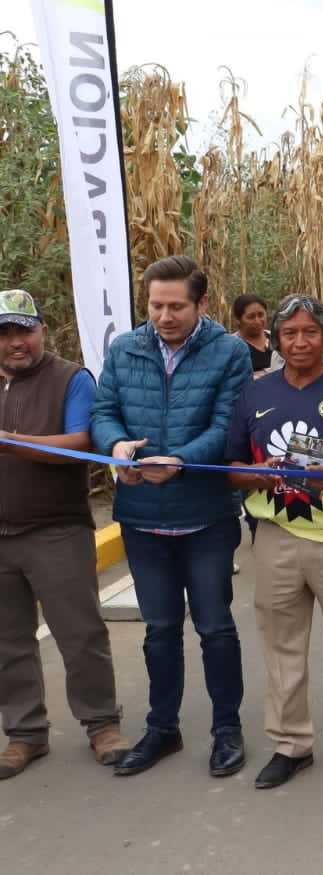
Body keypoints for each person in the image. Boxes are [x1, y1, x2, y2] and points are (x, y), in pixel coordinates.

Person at [91, 255, 252, 778]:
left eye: (176, 306)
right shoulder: (125, 348)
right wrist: (117, 445)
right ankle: (163, 728)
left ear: (201, 304)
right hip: (141, 519)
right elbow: (103, 410)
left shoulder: (228, 352)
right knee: (159, 629)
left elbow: (229, 425)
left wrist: (180, 461)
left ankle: (226, 729)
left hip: (205, 515)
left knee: (215, 628)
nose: (164, 316)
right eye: (156, 305)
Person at [226, 294, 323, 789]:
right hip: (274, 537)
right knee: (281, 646)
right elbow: (230, 469)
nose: (299, 341)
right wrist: (257, 475)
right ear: (276, 339)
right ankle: (290, 743)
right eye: (289, 332)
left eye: (309, 332)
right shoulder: (253, 393)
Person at [0, 289, 129, 778]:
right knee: (7, 641)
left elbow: (80, 444)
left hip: (56, 529)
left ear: (42, 331)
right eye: (5, 333)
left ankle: (102, 724)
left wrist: (11, 442)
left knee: (80, 635)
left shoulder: (72, 379)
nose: (15, 343)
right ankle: (25, 733)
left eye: (24, 330)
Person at [231, 293, 273, 377]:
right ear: (238, 320)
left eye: (261, 315)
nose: (257, 321)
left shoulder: (277, 338)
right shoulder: (231, 346)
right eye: (251, 317)